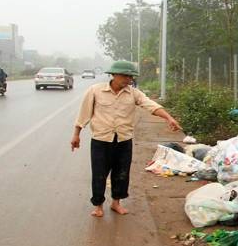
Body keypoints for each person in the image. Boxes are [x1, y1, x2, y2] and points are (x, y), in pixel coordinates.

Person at [71, 60, 182, 218]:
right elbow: (84, 115)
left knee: (122, 173)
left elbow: (150, 105)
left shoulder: (133, 93)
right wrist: (76, 135)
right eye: (125, 76)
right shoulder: (95, 91)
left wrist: (169, 118)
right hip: (101, 141)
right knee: (99, 174)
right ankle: (98, 205)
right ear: (114, 75)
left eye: (130, 77)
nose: (128, 80)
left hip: (124, 140)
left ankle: (116, 203)